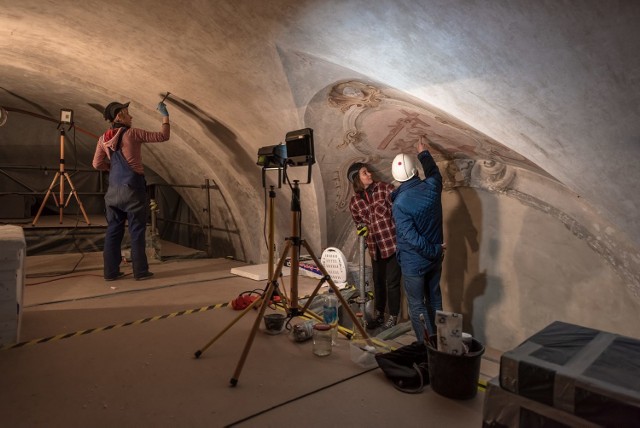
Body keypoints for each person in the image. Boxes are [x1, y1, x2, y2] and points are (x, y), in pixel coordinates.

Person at [92, 100, 170, 281]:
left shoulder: (103, 138)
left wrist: (110, 168)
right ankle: (140, 272)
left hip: (112, 193)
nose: (131, 116)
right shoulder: (133, 134)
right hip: (132, 190)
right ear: (119, 116)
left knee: (113, 231)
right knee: (136, 231)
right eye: (127, 113)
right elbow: (163, 136)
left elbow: (96, 164)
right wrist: (165, 116)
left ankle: (110, 273)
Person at [390, 135, 446, 343]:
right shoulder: (432, 186)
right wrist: (422, 151)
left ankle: (427, 348)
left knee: (417, 305)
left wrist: (433, 249)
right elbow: (433, 171)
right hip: (435, 259)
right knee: (435, 300)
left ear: (396, 177)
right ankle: (441, 342)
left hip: (415, 263)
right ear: (414, 171)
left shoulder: (400, 204)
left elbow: (412, 238)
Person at [347, 162, 402, 330]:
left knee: (392, 283)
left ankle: (393, 316)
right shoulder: (355, 202)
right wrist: (362, 229)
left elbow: (400, 212)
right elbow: (359, 224)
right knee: (378, 282)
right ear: (357, 178)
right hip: (374, 248)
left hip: (391, 245)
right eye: (365, 173)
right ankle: (379, 314)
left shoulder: (385, 189)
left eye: (368, 172)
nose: (369, 174)